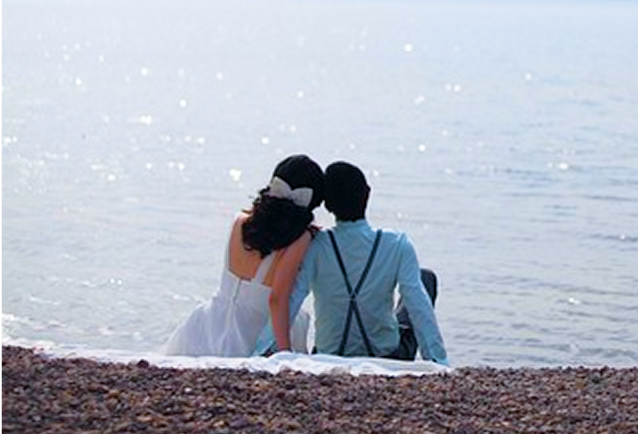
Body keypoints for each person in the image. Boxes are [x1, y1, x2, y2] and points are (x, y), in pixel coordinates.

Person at [272, 161, 447, 364]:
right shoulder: (396, 244)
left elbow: (292, 300)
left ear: (328, 206)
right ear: (368, 194)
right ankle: (434, 358)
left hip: (328, 355)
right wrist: (438, 363)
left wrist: (273, 351)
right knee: (425, 278)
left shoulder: (315, 245)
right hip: (387, 356)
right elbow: (419, 307)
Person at [160, 155, 324, 357]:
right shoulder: (301, 238)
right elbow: (277, 299)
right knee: (296, 317)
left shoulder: (241, 220)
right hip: (251, 333)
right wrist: (285, 353)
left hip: (205, 327)